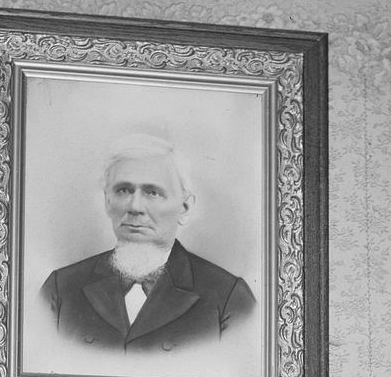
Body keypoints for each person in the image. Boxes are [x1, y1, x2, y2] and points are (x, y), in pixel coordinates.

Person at [39, 134, 255, 355]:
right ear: (107, 201)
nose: (135, 206)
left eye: (153, 192)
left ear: (185, 208)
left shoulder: (229, 299)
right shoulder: (60, 290)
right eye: (123, 190)